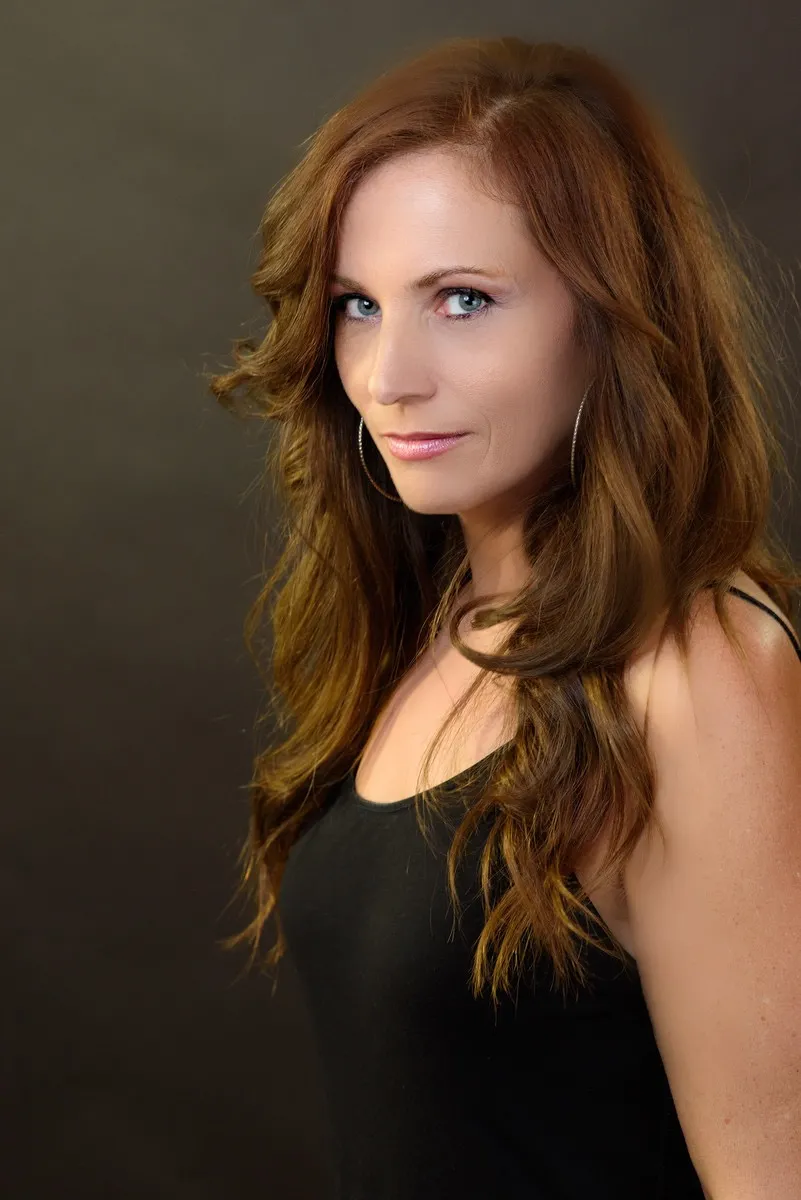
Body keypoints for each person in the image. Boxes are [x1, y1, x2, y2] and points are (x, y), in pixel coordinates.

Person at [210, 36, 801, 1200]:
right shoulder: (438, 619)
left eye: (463, 300)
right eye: (358, 306)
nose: (388, 376)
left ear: (613, 317)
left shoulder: (699, 670)